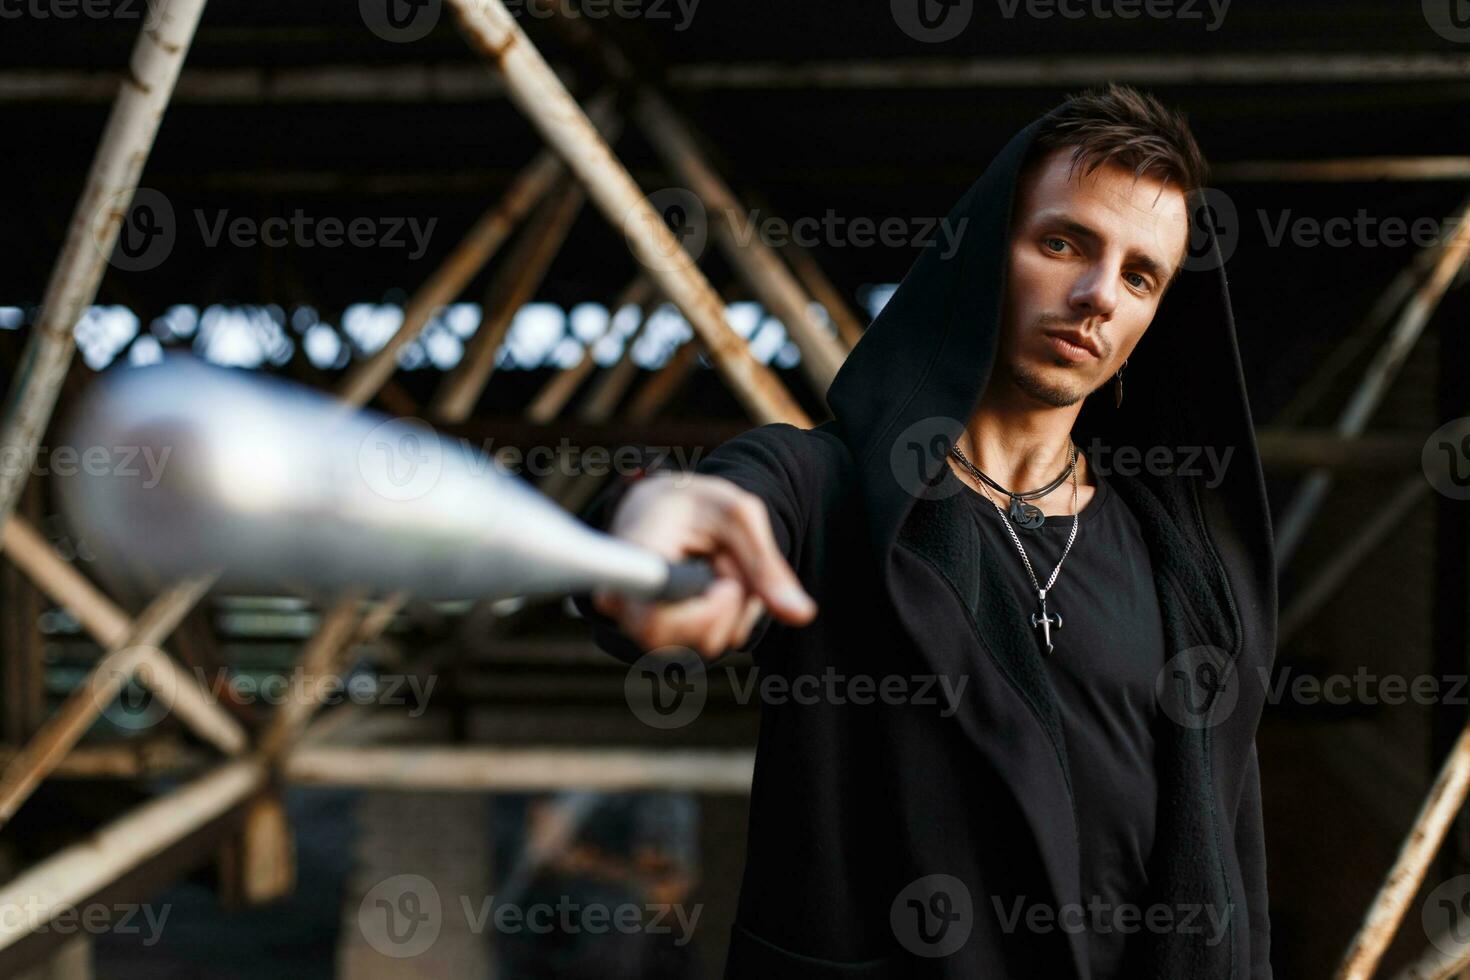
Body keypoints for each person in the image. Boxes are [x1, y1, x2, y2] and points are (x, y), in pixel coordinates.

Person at [573, 83, 1276, 979]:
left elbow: (1230, 866)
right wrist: (648, 527)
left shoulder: (1181, 561)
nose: (1100, 294)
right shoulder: (833, 490)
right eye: (1063, 243)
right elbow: (725, 506)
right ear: (985, 251)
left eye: (1141, 275)